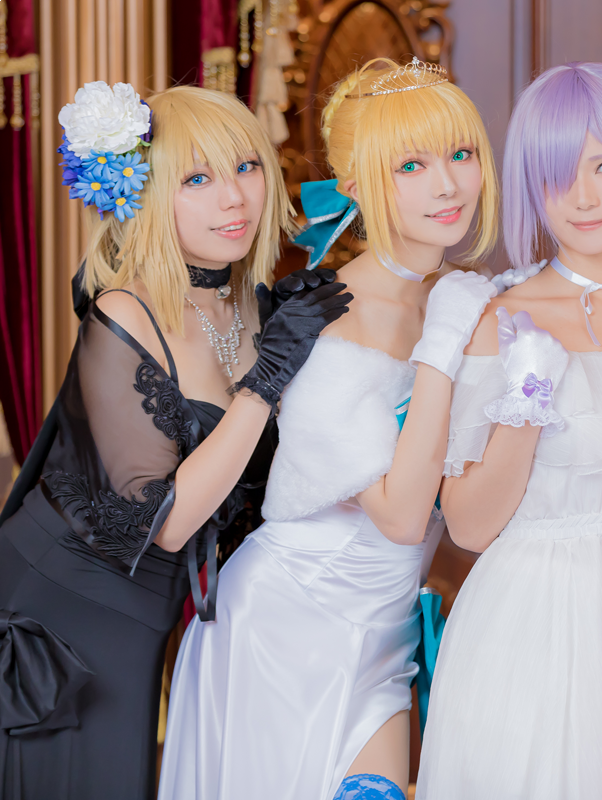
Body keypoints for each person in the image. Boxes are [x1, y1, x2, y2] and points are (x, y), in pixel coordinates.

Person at [158, 58, 501, 800]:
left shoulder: (465, 300)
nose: (447, 185)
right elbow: (402, 516)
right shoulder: (332, 324)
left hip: (386, 630)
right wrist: (443, 344)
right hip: (285, 627)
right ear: (355, 184)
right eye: (411, 165)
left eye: (461, 154)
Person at [0, 83, 350, 799]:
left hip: (144, 621)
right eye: (197, 179)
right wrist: (266, 383)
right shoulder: (124, 312)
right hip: (58, 615)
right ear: (151, 194)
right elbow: (166, 522)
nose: (235, 198)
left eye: (246, 167)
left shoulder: (250, 306)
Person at [415, 63, 602, 800]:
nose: (583, 196)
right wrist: (529, 396)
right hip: (528, 625)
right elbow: (469, 525)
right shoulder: (500, 319)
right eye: (558, 174)